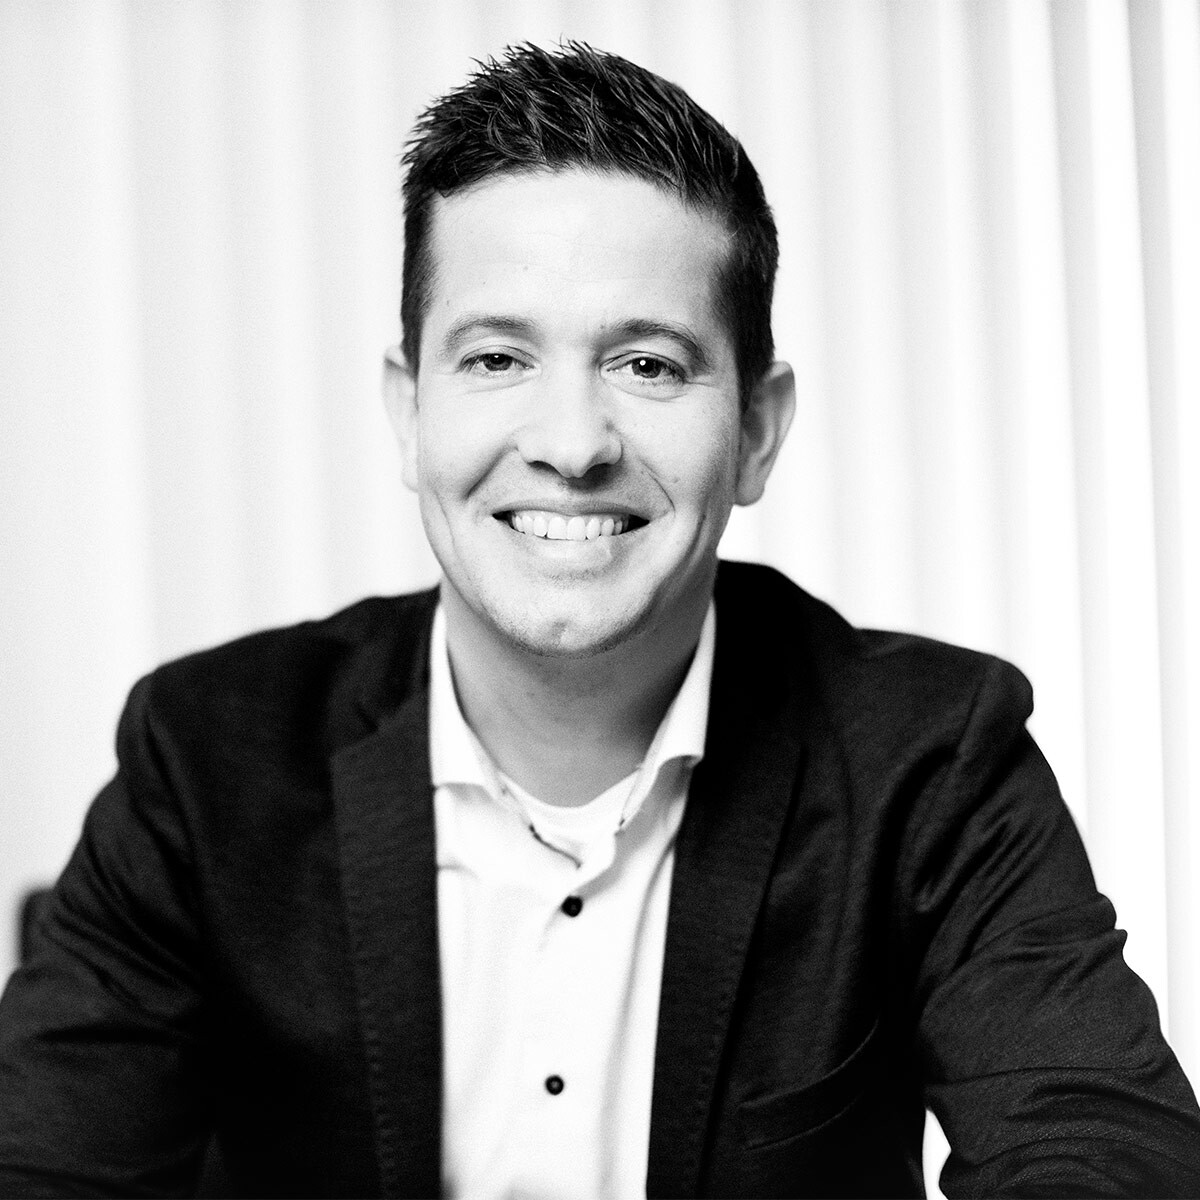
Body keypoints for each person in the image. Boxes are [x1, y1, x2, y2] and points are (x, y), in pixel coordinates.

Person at [1, 41, 1198, 1200]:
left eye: (649, 365)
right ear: (409, 413)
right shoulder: (206, 760)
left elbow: (1103, 1150)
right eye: (496, 359)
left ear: (759, 430)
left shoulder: (930, 759)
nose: (572, 444)